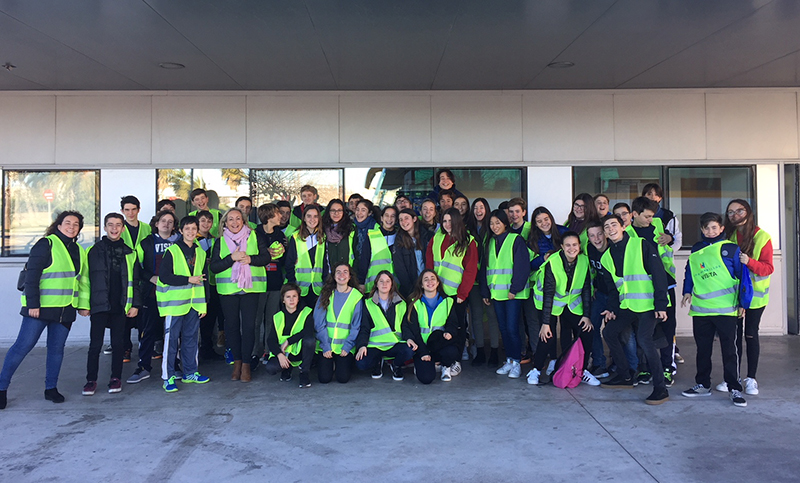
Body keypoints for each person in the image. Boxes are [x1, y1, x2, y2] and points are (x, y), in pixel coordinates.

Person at [0, 211, 87, 409]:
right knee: (22, 347)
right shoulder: (46, 244)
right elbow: (32, 276)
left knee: (56, 350)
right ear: (58, 225)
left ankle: (51, 388)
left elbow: (81, 282)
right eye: (67, 223)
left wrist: (82, 305)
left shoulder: (78, 251)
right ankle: (2, 388)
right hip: (39, 309)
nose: (71, 227)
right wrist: (33, 304)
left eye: (76, 224)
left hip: (65, 310)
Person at [680, 212, 752, 407]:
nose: (710, 231)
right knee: (703, 350)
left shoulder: (731, 249)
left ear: (721, 228)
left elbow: (742, 277)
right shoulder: (696, 249)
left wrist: (743, 303)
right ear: (702, 230)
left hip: (727, 310)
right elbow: (690, 272)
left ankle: (734, 388)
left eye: (714, 227)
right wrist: (687, 291)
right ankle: (702, 384)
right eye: (706, 228)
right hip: (702, 310)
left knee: (730, 350)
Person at [599, 214, 670, 405]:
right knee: (610, 332)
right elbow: (613, 288)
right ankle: (625, 375)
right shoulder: (606, 257)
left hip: (648, 304)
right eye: (606, 227)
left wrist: (661, 304)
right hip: (627, 306)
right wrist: (612, 309)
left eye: (614, 224)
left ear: (623, 226)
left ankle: (660, 388)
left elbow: (658, 274)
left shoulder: (642, 245)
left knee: (645, 340)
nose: (610, 229)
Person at [80, 213, 143, 396]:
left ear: (123, 228)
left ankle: (116, 378)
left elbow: (136, 282)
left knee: (118, 344)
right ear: (105, 228)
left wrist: (135, 305)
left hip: (120, 306)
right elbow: (85, 280)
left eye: (118, 225)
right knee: (95, 345)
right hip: (99, 305)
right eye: (110, 225)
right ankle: (91, 380)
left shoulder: (130, 253)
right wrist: (84, 305)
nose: (114, 228)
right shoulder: (93, 251)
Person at [526, 231, 599, 386]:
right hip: (549, 303)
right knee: (547, 335)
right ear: (562, 247)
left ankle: (582, 370)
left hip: (571, 303)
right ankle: (536, 370)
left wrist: (586, 315)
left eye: (574, 245)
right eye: (568, 245)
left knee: (587, 330)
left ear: (579, 246)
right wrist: (546, 323)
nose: (571, 248)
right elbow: (548, 293)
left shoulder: (584, 261)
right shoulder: (553, 261)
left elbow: (586, 289)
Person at [719, 199, 773, 395]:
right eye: (731, 212)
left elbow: (768, 268)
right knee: (734, 338)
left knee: (750, 335)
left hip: (755, 299)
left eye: (739, 211)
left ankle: (751, 378)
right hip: (734, 297)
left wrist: (749, 262)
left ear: (748, 212)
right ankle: (733, 378)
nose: (735, 215)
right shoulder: (730, 235)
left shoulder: (762, 237)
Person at [209, 208, 270, 382]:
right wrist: (231, 258)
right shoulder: (219, 242)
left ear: (244, 221)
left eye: (238, 219)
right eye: (230, 220)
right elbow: (214, 267)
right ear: (224, 223)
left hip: (251, 289)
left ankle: (246, 365)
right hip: (228, 291)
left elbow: (265, 258)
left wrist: (251, 259)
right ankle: (237, 362)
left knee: (249, 327)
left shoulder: (255, 236)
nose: (234, 222)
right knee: (232, 327)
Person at [627, 196, 677, 385]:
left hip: (665, 284)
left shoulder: (658, 225)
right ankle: (644, 368)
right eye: (646, 216)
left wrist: (670, 238)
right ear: (634, 215)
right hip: (642, 290)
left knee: (667, 327)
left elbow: (670, 245)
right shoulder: (628, 234)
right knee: (644, 330)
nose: (650, 219)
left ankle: (667, 368)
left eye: (651, 216)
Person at [156, 215, 210, 393]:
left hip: (194, 305)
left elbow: (203, 280)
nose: (191, 232)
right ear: (180, 231)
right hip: (175, 304)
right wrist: (188, 279)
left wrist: (204, 304)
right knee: (170, 342)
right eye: (187, 229)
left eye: (194, 229)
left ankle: (190, 373)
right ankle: (168, 376)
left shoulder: (200, 252)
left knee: (191, 340)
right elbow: (164, 277)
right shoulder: (172, 251)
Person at [127, 210, 180, 384]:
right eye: (163, 221)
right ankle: (144, 367)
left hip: (175, 296)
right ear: (156, 224)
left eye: (170, 221)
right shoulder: (146, 243)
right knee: (148, 332)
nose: (166, 224)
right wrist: (150, 277)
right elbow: (137, 268)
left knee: (173, 333)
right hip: (152, 295)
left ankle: (175, 365)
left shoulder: (180, 242)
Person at [480, 209, 530, 379]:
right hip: (497, 293)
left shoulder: (516, 240)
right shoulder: (491, 242)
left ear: (505, 223)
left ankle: (516, 362)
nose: (494, 226)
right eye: (492, 223)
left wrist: (514, 289)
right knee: (503, 328)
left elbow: (522, 266)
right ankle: (509, 360)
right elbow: (486, 268)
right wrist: (485, 291)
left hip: (512, 294)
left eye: (497, 223)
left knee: (512, 328)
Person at [426, 208, 478, 365]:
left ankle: (455, 360)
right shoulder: (437, 237)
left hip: (456, 293)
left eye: (450, 221)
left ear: (457, 221)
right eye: (444, 221)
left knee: (458, 327)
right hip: (437, 292)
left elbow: (470, 269)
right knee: (439, 326)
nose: (447, 224)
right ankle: (440, 358)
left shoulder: (468, 241)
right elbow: (430, 262)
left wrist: (463, 293)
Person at [403, 270, 460, 383]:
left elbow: (453, 323)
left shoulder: (448, 301)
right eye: (426, 279)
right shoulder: (415, 303)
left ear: (438, 283)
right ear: (421, 284)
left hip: (440, 343)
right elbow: (414, 331)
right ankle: (430, 363)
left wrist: (449, 331)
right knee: (426, 378)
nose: (430, 281)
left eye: (433, 278)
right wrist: (423, 352)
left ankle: (446, 365)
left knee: (452, 349)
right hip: (421, 346)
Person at [355, 271, 414, 381]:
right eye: (381, 281)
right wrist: (362, 345)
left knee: (410, 349)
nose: (384, 284)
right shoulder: (368, 303)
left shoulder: (401, 303)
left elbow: (405, 325)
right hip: (375, 345)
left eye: (387, 281)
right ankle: (377, 363)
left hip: (394, 343)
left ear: (392, 284)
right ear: (376, 284)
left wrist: (409, 338)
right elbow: (364, 327)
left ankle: (396, 365)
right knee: (361, 363)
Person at [527, 206, 567, 367]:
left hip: (566, 287)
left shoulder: (564, 232)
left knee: (566, 326)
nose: (543, 223)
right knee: (548, 325)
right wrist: (543, 258)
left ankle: (565, 359)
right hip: (545, 289)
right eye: (539, 221)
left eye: (546, 219)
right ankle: (552, 358)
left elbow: (575, 251)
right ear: (535, 224)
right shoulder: (532, 240)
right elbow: (529, 264)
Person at [314, 263, 363, 384]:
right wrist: (325, 346)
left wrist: (347, 346)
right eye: (338, 272)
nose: (342, 274)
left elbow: (356, 326)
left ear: (350, 276)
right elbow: (318, 321)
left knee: (343, 378)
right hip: (326, 346)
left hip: (345, 347)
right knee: (324, 379)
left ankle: (338, 364)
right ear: (334, 276)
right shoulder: (326, 294)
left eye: (345, 272)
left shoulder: (356, 296)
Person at [253, 204, 287, 369]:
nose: (280, 216)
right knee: (256, 319)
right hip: (258, 283)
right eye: (277, 213)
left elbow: (283, 258)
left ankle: (268, 350)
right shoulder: (255, 233)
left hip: (275, 283)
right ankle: (254, 352)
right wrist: (266, 254)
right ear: (268, 216)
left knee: (271, 319)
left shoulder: (281, 234)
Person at [118, 195, 151, 363]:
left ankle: (145, 348)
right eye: (127, 210)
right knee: (123, 315)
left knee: (143, 316)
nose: (130, 213)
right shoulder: (118, 228)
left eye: (133, 209)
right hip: (124, 277)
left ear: (139, 210)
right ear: (122, 211)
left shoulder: (147, 228)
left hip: (143, 277)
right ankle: (125, 348)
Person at [466, 198, 499, 366]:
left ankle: (494, 350)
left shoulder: (492, 229)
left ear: (486, 209)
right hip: (473, 281)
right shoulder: (468, 230)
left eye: (481, 207)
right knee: (476, 317)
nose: (478, 210)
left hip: (490, 280)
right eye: (475, 207)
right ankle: (479, 350)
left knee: (492, 316)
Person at [264, 284, 315, 388]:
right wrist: (279, 354)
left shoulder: (307, 312)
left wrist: (288, 341)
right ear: (283, 300)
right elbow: (271, 340)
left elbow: (308, 331)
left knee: (310, 340)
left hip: (301, 352)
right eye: (288, 297)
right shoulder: (277, 316)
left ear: (298, 298)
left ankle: (304, 373)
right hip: (285, 354)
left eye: (294, 296)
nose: (291, 300)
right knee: (271, 368)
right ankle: (287, 368)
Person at [285, 205, 326, 310]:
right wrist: (293, 284)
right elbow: (289, 263)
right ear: (304, 218)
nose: (312, 219)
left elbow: (326, 263)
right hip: (300, 287)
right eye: (309, 216)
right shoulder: (296, 237)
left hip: (318, 287)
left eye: (315, 216)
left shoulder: (324, 237)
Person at [392, 208, 426, 299]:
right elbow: (400, 268)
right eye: (400, 220)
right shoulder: (399, 240)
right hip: (410, 289)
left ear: (414, 219)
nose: (403, 222)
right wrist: (411, 291)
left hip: (428, 285)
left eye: (406, 218)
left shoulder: (426, 235)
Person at [364, 205, 397, 291]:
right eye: (386, 215)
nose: (389, 219)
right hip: (374, 286)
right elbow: (364, 260)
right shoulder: (371, 235)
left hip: (395, 287)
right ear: (381, 218)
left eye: (392, 216)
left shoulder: (400, 236)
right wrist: (360, 281)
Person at [322, 199, 355, 271]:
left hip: (346, 273)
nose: (336, 213)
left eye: (339, 210)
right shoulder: (322, 229)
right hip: (328, 273)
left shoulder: (351, 229)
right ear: (328, 212)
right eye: (333, 210)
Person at [353, 199, 380, 286]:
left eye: (363, 210)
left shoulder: (375, 227)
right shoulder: (351, 226)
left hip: (371, 273)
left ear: (369, 213)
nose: (359, 213)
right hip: (354, 271)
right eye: (357, 209)